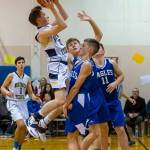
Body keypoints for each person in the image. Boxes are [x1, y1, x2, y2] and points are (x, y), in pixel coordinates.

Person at [27, 0, 68, 141]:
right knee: (60, 100)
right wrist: (52, 7)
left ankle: (43, 124)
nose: (48, 15)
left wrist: (56, 4)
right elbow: (63, 24)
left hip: (62, 65)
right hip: (56, 66)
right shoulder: (42, 34)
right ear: (39, 19)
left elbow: (65, 17)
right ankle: (34, 118)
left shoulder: (49, 26)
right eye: (45, 14)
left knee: (65, 101)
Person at [63, 38, 109, 150]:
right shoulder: (77, 61)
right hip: (81, 100)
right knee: (86, 132)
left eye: (82, 45)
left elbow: (76, 87)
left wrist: (65, 103)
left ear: (88, 49)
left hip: (80, 100)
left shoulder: (87, 64)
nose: (79, 47)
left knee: (72, 136)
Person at [93, 43, 129, 150]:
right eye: (96, 49)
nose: (98, 50)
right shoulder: (90, 66)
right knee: (104, 131)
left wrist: (115, 83)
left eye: (100, 48)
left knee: (121, 129)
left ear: (104, 51)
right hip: (100, 103)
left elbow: (121, 75)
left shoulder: (111, 63)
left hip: (113, 101)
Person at [1, 56, 40, 150]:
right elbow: (2, 87)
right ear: (16, 65)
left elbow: (30, 93)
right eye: (19, 62)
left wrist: (36, 98)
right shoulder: (11, 75)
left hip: (23, 104)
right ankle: (15, 146)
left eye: (23, 62)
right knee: (21, 125)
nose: (21, 64)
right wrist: (7, 92)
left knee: (25, 128)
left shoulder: (27, 78)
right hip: (13, 102)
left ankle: (19, 147)